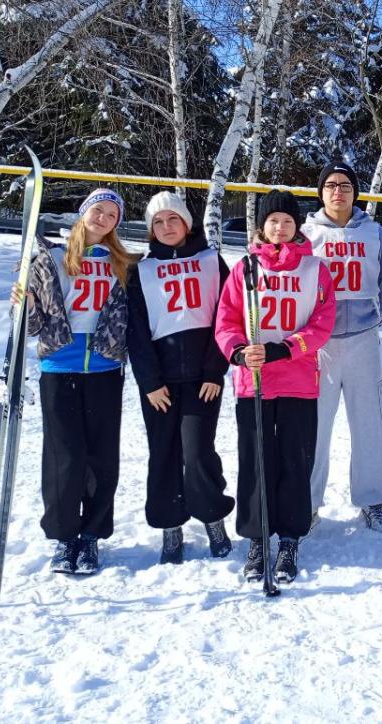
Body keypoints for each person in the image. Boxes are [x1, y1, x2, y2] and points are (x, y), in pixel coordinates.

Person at [215, 190, 336, 585]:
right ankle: (256, 537)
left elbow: (322, 321)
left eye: (286, 221)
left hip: (299, 381)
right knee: (256, 463)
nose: (280, 228)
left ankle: (289, 538)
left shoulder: (315, 269)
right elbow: (227, 320)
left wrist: (285, 349)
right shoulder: (245, 268)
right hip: (255, 383)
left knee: (294, 462)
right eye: (273, 222)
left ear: (296, 225)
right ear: (262, 228)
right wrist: (237, 352)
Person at [14, 187, 134, 576]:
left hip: (103, 369)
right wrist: (25, 306)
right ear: (83, 213)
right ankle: (65, 536)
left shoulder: (123, 265)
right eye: (97, 210)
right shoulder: (49, 259)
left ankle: (91, 537)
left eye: (111, 215)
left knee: (101, 457)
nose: (103, 219)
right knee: (64, 457)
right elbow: (33, 327)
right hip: (60, 368)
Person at [127, 191, 234, 565]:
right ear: (151, 230)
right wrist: (149, 382)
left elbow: (228, 317)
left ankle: (213, 516)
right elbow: (136, 331)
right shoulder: (141, 270)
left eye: (173, 219)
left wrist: (215, 370)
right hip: (160, 385)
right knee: (164, 452)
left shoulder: (210, 261)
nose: (166, 226)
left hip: (203, 379)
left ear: (187, 223)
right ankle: (170, 525)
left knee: (198, 450)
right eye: (158, 221)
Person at [302, 162, 382, 533]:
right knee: (314, 425)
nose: (338, 192)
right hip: (319, 344)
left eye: (345, 185)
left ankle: (373, 499)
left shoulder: (375, 233)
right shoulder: (306, 234)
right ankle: (308, 501)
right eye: (330, 185)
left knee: (369, 423)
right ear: (321, 192)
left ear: (355, 191)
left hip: (363, 338)